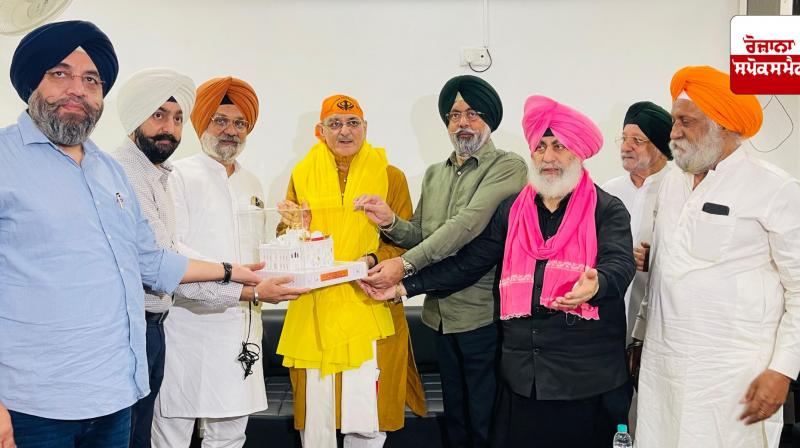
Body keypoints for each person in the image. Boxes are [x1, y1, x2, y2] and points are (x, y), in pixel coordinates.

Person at [0, 21, 261, 448]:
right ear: (33, 84)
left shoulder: (109, 170)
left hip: (114, 397)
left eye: (91, 79)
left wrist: (234, 273)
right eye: (60, 74)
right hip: (34, 407)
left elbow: (151, 260)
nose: (78, 90)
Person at [361, 95, 635, 448]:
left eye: (559, 147)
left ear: (579, 153)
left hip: (584, 378)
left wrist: (600, 282)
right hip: (523, 378)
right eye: (540, 147)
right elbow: (471, 262)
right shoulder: (514, 211)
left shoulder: (607, 209)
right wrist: (403, 288)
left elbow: (620, 263)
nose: (548, 158)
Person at [113, 69, 306, 448]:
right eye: (220, 120)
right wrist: (242, 285)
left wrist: (289, 232)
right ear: (202, 123)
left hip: (242, 329)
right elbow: (172, 249)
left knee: (232, 433)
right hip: (189, 326)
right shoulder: (177, 175)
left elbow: (255, 251)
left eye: (240, 123)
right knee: (171, 433)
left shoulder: (252, 182)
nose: (230, 130)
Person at [354, 76, 528, 448]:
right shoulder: (435, 173)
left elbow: (466, 227)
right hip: (439, 316)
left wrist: (403, 267)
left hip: (482, 316)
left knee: (485, 421)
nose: (462, 122)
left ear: (490, 120)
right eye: (454, 115)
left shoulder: (508, 167)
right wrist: (389, 222)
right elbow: (423, 234)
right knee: (456, 420)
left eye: (472, 114)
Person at [633, 66, 800, 448]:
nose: (673, 132)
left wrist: (783, 370)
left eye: (685, 122)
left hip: (734, 376)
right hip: (664, 365)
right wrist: (639, 338)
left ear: (723, 125)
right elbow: (663, 272)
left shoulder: (776, 188)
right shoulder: (670, 182)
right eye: (674, 121)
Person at [275, 94, 425, 447]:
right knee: (317, 413)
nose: (345, 131)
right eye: (335, 124)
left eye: (353, 123)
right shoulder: (302, 174)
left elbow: (406, 240)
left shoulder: (391, 176)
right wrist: (295, 228)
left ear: (365, 128)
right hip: (316, 310)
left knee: (368, 416)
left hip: (371, 302)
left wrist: (371, 260)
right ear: (320, 131)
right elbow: (285, 238)